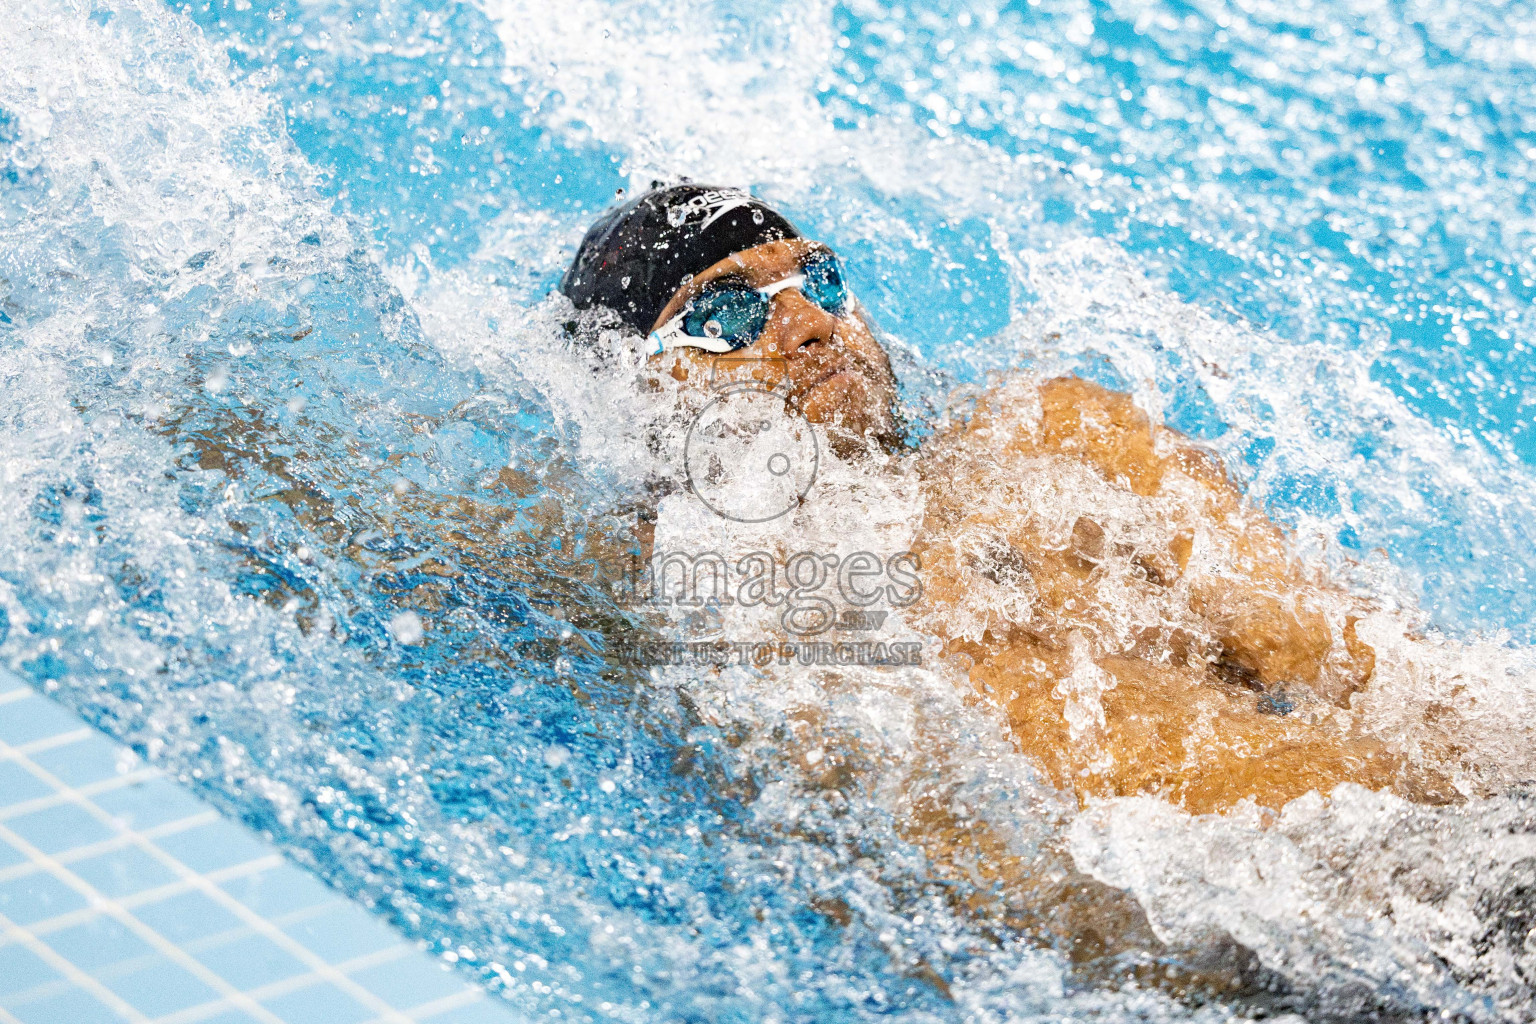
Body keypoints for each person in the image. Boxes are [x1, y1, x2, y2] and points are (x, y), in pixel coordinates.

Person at [562, 182, 1458, 818]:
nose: (807, 325)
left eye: (817, 281)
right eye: (727, 317)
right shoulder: (705, 602)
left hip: (1424, 842)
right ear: (637, 392)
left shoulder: (1058, 443)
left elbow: (1370, 659)